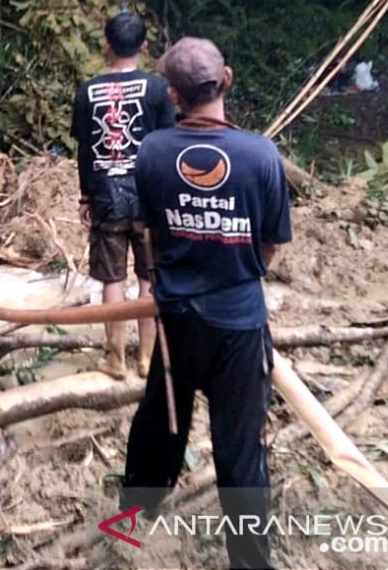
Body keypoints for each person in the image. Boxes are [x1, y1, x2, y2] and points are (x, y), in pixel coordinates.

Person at [120, 37, 292, 569]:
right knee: (240, 446)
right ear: (228, 80)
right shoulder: (262, 155)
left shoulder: (151, 150)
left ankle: (128, 527)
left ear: (172, 94)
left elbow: (150, 231)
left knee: (159, 426)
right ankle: (249, 561)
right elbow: (269, 245)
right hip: (238, 325)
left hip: (174, 321)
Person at [71, 10, 175, 379]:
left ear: (106, 45)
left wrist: (86, 197)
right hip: (150, 198)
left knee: (112, 279)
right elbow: (167, 146)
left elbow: (85, 150)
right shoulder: (159, 89)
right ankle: (146, 358)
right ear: (144, 46)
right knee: (150, 279)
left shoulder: (88, 92)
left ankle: (115, 357)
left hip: (106, 197)